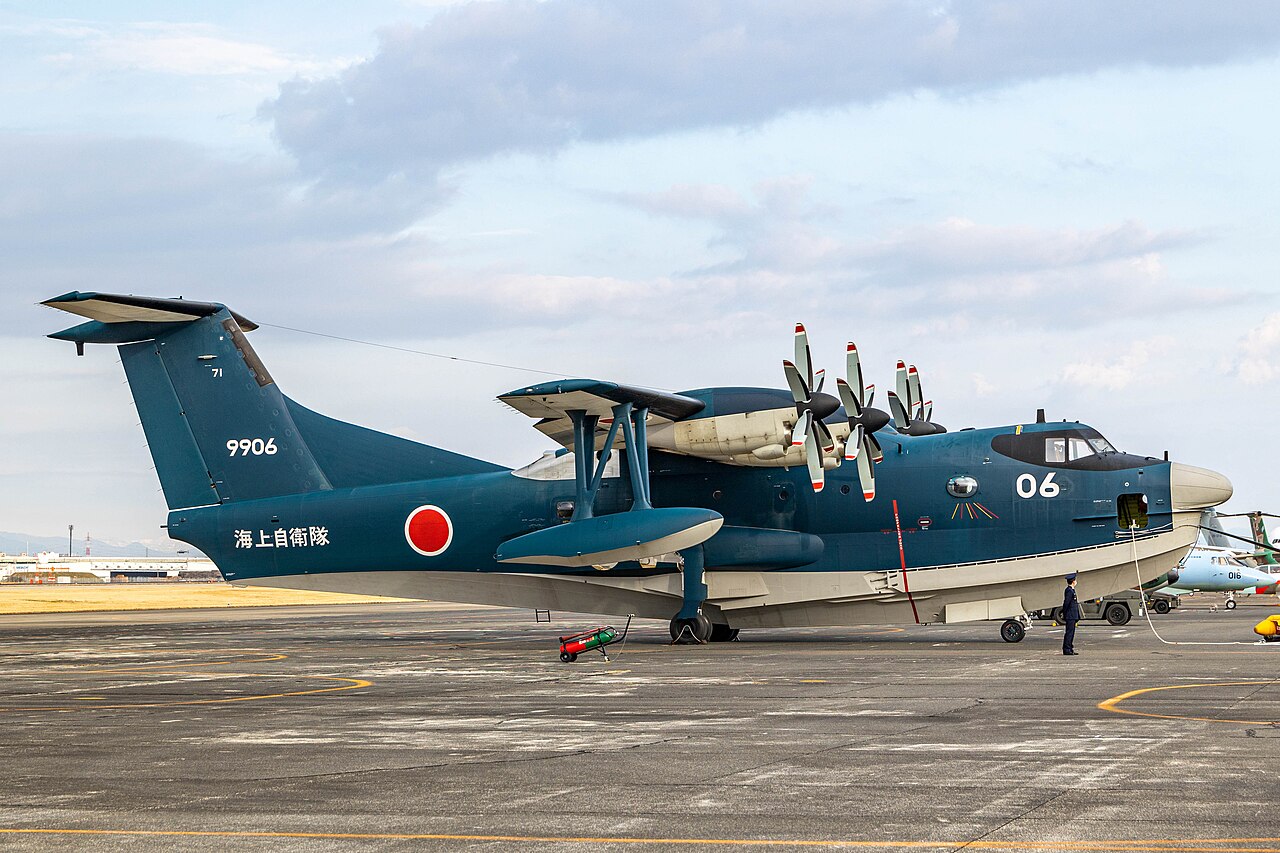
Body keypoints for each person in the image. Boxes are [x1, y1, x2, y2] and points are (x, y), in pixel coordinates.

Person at [1062, 573, 1082, 655]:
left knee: (1071, 632)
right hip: (1070, 615)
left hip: (1072, 615)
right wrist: (1065, 613)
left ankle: (1070, 648)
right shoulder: (1069, 591)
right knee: (1069, 633)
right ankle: (1067, 649)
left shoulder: (1072, 590)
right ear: (1073, 581)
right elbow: (1066, 603)